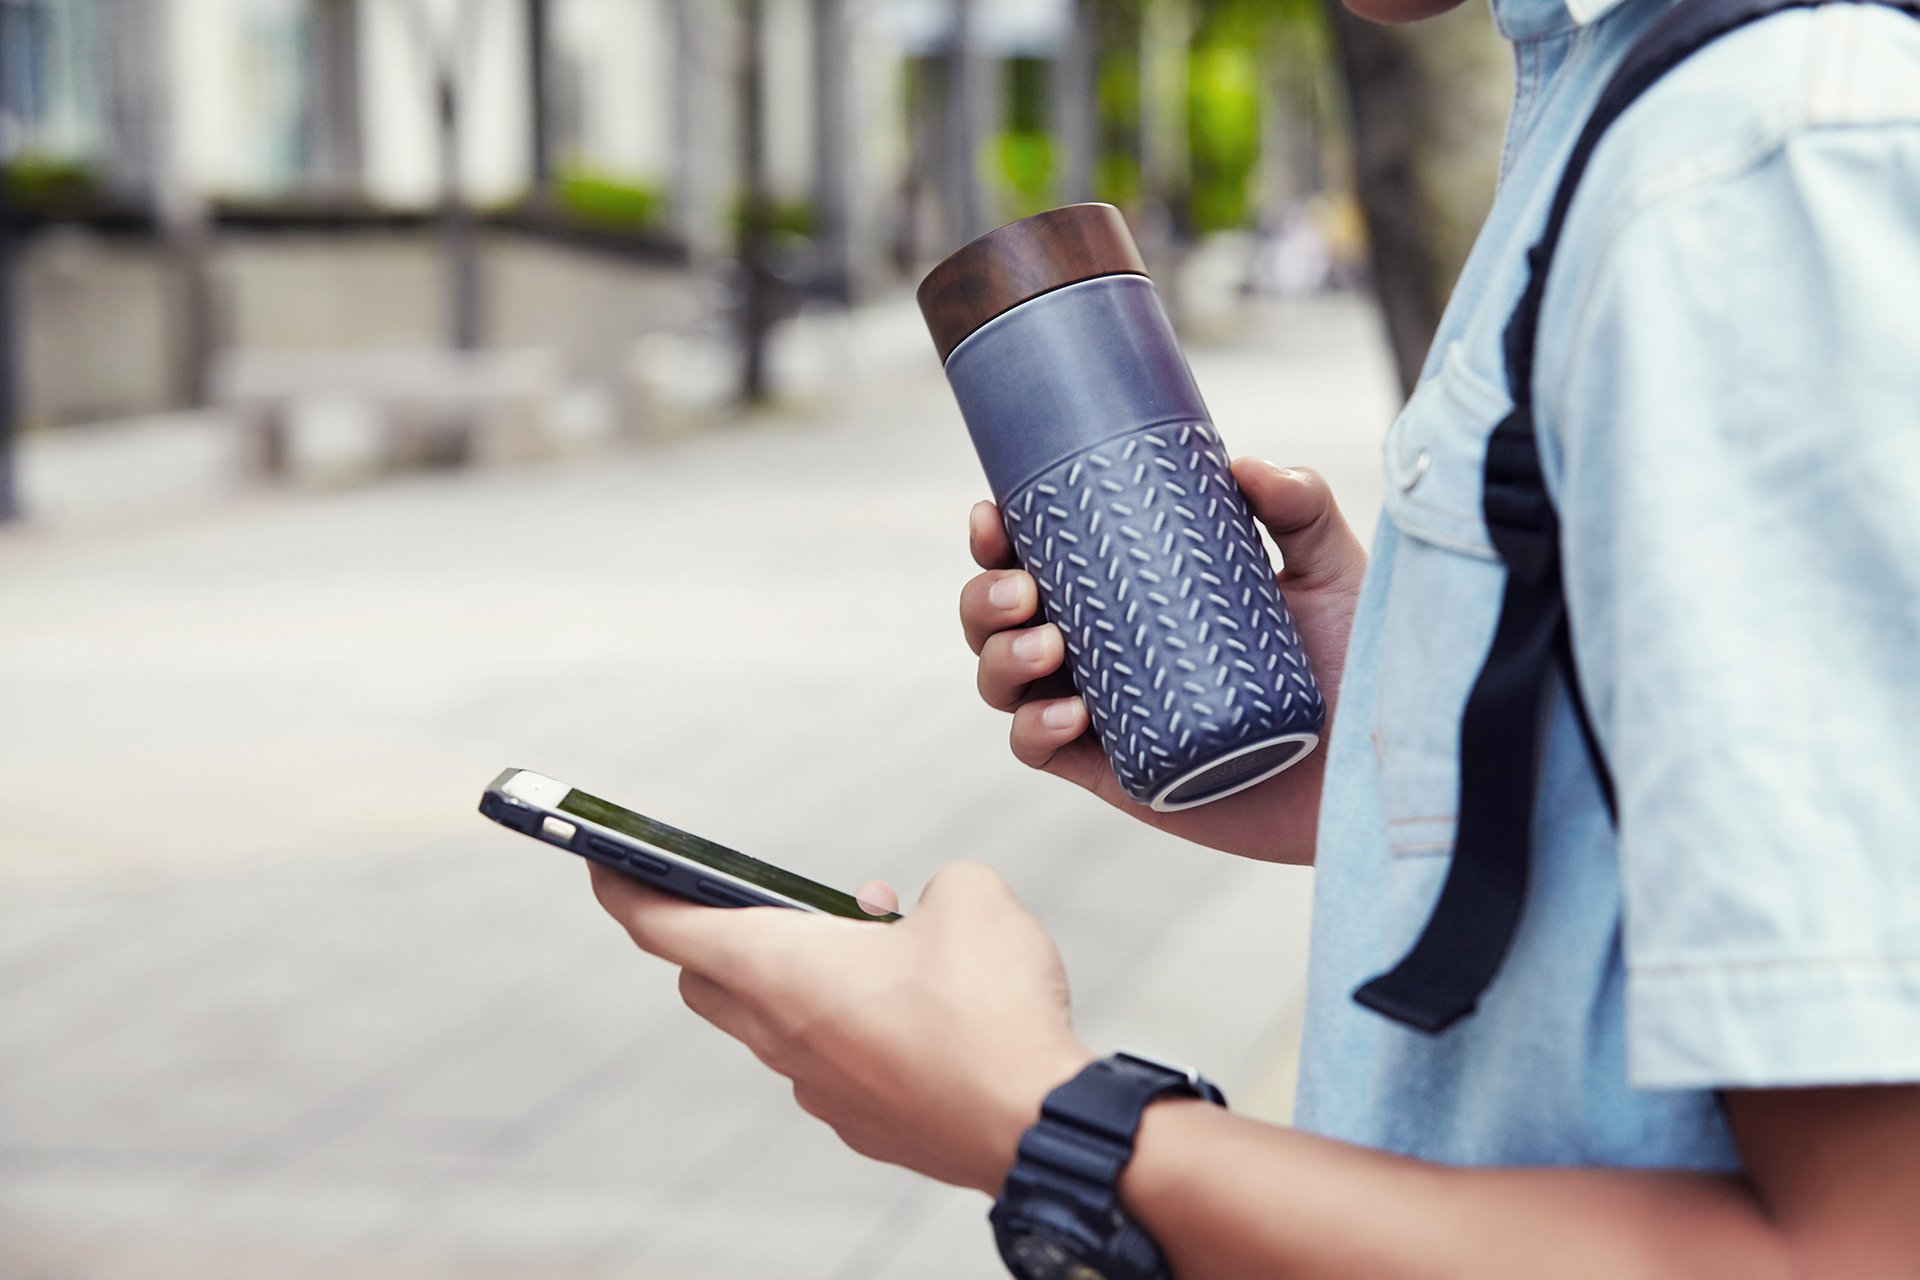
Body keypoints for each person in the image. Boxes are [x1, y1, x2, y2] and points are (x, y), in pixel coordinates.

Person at [588, 0, 1920, 1269]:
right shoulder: (1644, 98)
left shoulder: (1757, 163)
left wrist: (1036, 1117)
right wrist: (1412, 730)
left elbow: (1865, 1251)